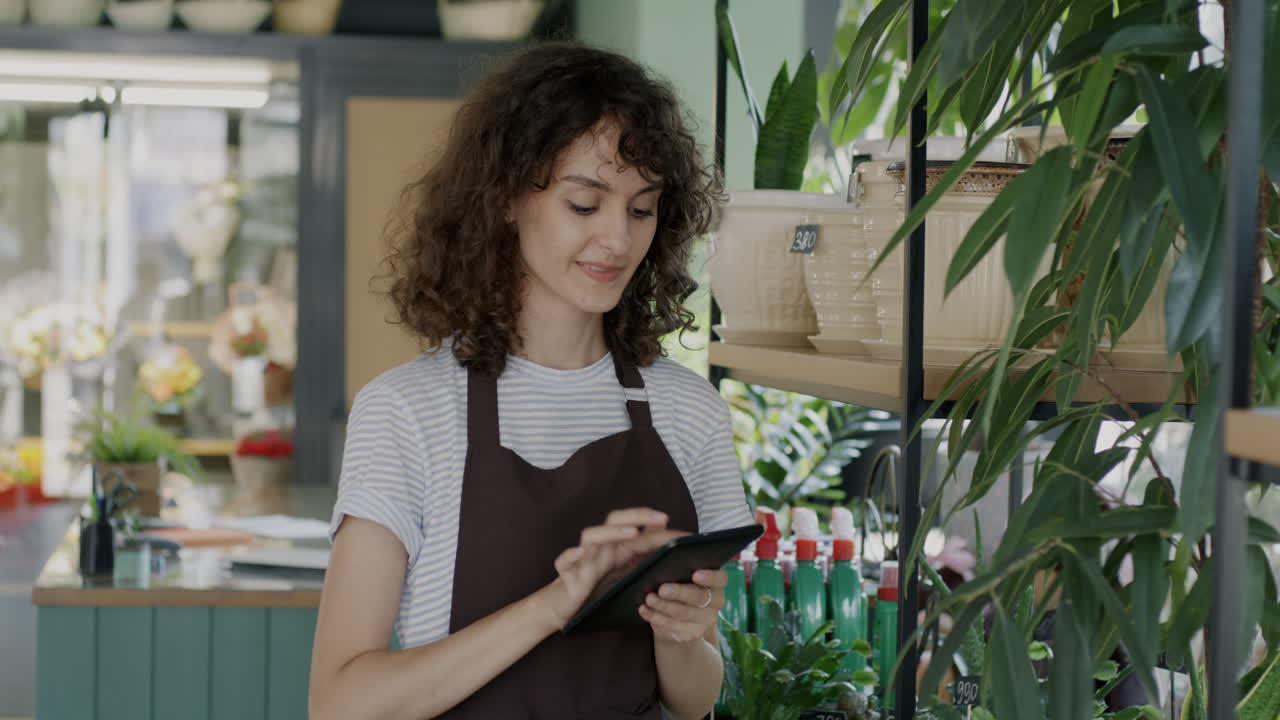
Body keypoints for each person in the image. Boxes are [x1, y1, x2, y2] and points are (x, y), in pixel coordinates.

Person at [309, 41, 752, 720]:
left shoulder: (689, 413)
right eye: (584, 204)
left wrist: (677, 633)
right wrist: (556, 603)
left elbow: (694, 700)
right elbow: (340, 703)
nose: (617, 240)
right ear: (508, 200)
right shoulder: (408, 411)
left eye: (641, 210)